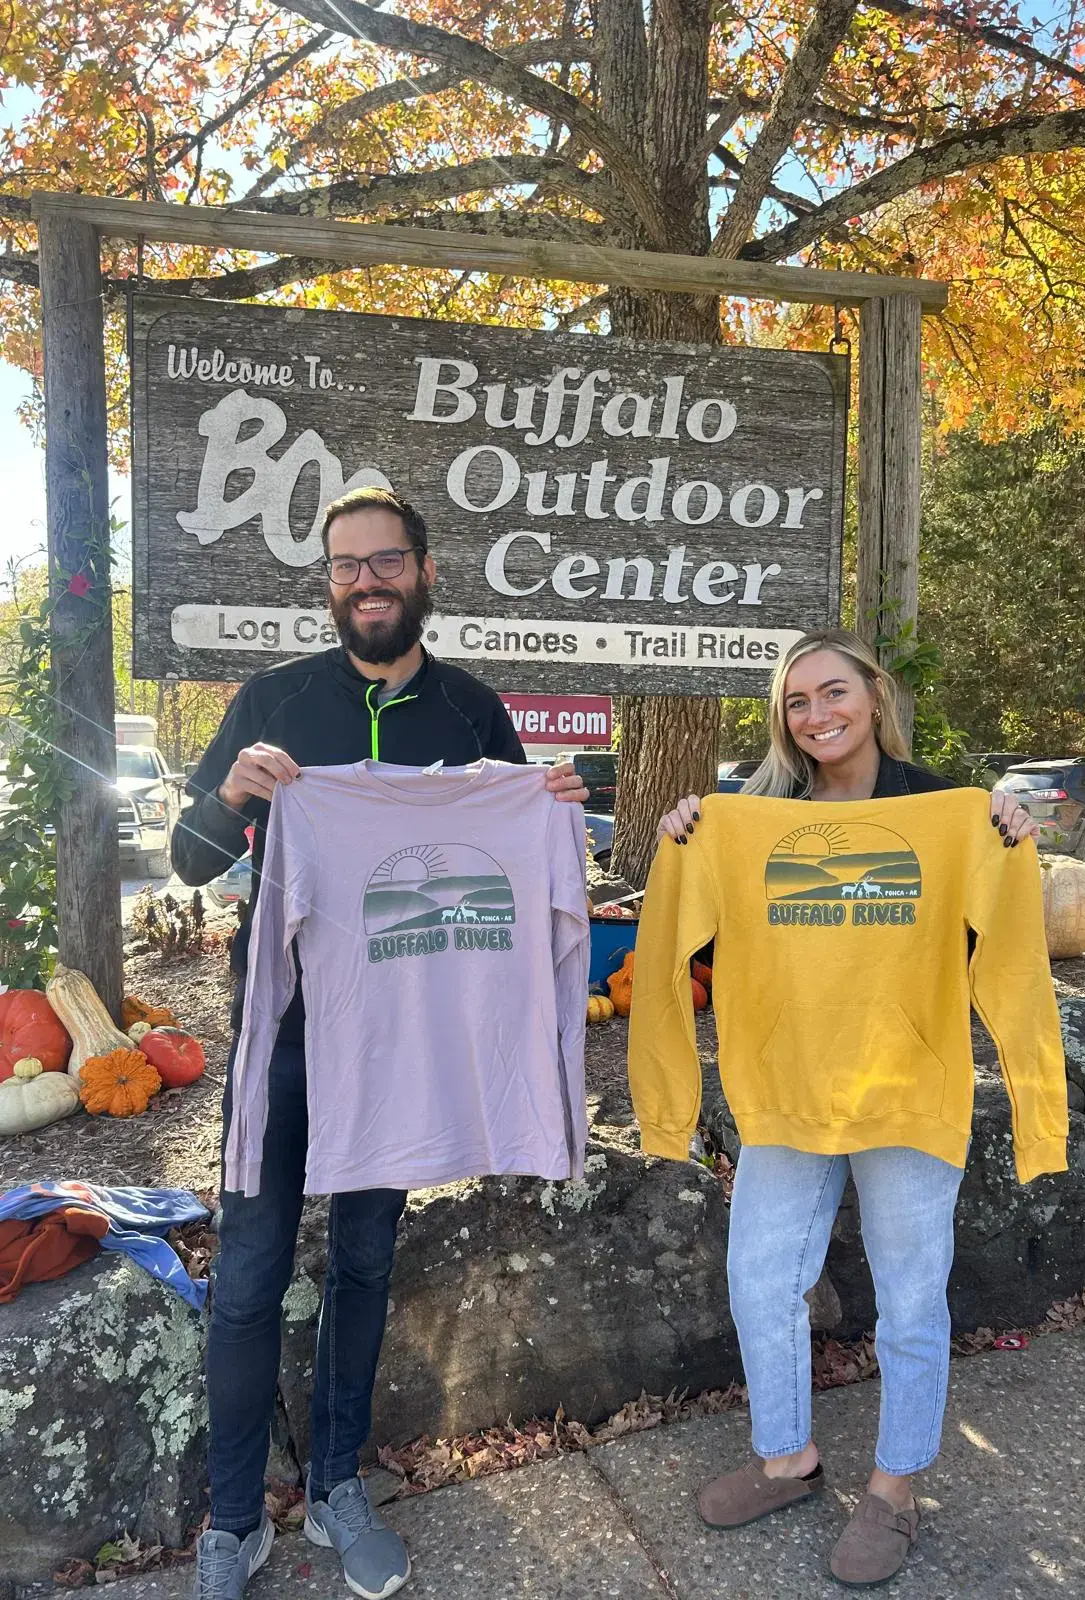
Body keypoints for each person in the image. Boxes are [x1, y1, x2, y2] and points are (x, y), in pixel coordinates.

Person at [174, 486, 588, 1600]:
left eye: (386, 561)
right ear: (329, 584)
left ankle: (337, 1486)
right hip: (284, 1042)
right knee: (250, 1273)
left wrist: (553, 803)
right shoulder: (273, 699)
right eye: (346, 566)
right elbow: (188, 860)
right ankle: (231, 1521)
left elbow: (517, 868)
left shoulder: (472, 712)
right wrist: (231, 794)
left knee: (364, 1261)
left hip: (402, 1046)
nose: (366, 581)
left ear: (424, 571)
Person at [653, 628, 1042, 1589]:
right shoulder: (756, 819)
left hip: (908, 1090)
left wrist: (1008, 833)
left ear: (874, 696)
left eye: (833, 692)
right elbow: (689, 953)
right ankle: (786, 1458)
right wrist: (688, 838)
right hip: (789, 1090)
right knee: (759, 1279)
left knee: (910, 1297)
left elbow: (1010, 957)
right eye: (797, 702)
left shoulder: (948, 810)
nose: (817, 714)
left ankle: (895, 1488)